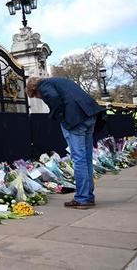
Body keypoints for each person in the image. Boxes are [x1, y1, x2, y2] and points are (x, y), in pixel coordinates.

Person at [26, 77, 104, 210]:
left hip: (75, 120)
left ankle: (82, 199)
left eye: (37, 97)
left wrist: (61, 118)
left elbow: (54, 99)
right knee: (86, 159)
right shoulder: (60, 81)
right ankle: (88, 196)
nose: (40, 98)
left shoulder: (44, 86)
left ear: (34, 89)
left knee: (79, 159)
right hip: (90, 115)